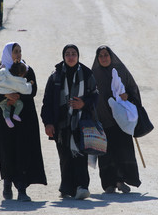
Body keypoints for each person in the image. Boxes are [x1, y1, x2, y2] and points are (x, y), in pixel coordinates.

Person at [0, 42, 47, 201]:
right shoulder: (0, 72)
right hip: (6, 120)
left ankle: (22, 189)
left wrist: (18, 95)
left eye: (20, 51)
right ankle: (7, 184)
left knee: (24, 151)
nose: (18, 54)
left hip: (24, 118)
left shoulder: (26, 69)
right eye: (15, 51)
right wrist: (7, 96)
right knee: (8, 151)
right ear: (8, 54)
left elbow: (33, 90)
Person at [41, 44, 98, 200]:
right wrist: (48, 123)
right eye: (68, 54)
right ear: (63, 56)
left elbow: (95, 96)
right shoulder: (55, 76)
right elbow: (47, 102)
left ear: (78, 56)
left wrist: (83, 103)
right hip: (61, 124)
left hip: (81, 123)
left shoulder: (87, 74)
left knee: (80, 156)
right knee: (65, 156)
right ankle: (67, 187)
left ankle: (82, 187)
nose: (71, 56)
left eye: (74, 53)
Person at [92, 45, 142, 194]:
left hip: (121, 121)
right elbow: (89, 95)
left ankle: (121, 180)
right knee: (105, 153)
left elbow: (133, 89)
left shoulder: (121, 71)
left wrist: (128, 96)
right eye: (100, 55)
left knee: (122, 150)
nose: (104, 58)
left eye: (106, 55)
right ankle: (109, 183)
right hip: (102, 119)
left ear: (111, 56)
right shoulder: (93, 74)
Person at [0, 62, 34, 128]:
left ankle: (7, 118)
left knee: (5, 109)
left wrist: (1, 69)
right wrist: (30, 83)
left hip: (2, 101)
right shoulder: (17, 80)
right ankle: (15, 114)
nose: (19, 55)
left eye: (20, 51)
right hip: (5, 123)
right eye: (16, 52)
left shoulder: (3, 73)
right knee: (20, 104)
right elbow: (25, 88)